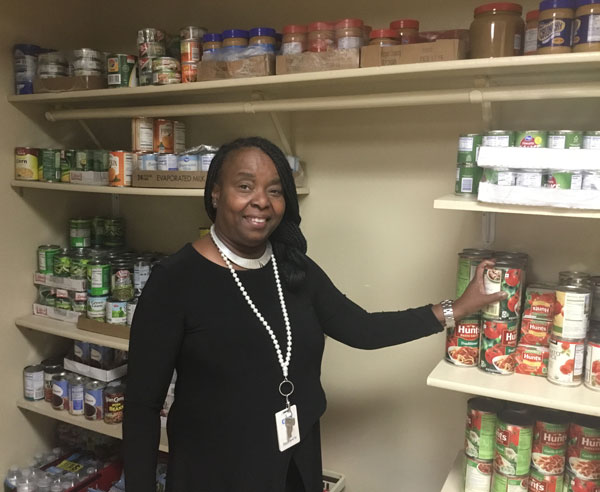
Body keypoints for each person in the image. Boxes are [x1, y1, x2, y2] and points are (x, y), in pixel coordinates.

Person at [123, 136, 505, 492]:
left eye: (274, 191)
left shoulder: (293, 268)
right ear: (215, 193)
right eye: (245, 186)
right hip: (216, 472)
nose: (261, 201)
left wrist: (457, 307)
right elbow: (142, 405)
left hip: (295, 461)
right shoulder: (176, 280)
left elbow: (362, 328)